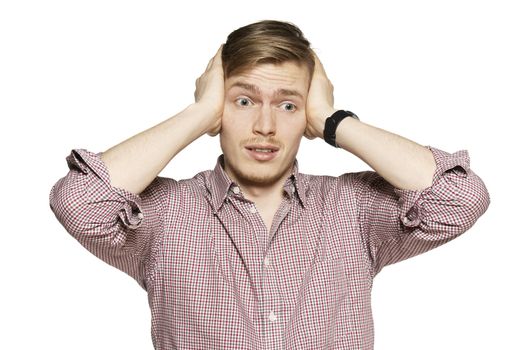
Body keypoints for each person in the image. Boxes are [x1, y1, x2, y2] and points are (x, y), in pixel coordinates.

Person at [50, 20, 490, 349]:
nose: (265, 125)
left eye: (287, 105)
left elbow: (460, 198)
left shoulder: (353, 208)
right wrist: (199, 114)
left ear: (307, 117)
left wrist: (334, 122)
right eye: (243, 101)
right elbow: (79, 202)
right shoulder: (165, 215)